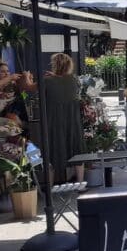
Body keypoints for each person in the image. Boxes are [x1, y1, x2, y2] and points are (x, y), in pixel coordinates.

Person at [42, 53, 85, 183]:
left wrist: (26, 77)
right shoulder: (74, 80)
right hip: (72, 120)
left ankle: (50, 186)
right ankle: (80, 182)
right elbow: (63, 82)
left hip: (54, 120)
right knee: (76, 149)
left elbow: (29, 87)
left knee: (52, 152)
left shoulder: (47, 81)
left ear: (55, 65)